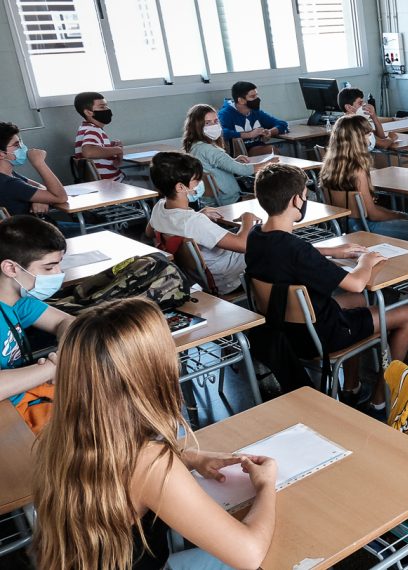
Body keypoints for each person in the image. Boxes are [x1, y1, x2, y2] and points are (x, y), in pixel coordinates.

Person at [32, 298, 278, 570]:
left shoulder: (59, 435)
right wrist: (266, 485)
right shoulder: (150, 463)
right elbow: (249, 554)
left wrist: (189, 457)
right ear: (154, 370)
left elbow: (121, 469)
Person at [244, 164, 408, 417]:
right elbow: (356, 282)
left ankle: (351, 386)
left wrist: (331, 251)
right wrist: (366, 261)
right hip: (320, 336)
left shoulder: (255, 236)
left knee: (357, 300)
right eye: (305, 195)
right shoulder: (297, 250)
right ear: (296, 200)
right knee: (407, 314)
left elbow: (290, 253)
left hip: (283, 330)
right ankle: (380, 399)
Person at [147, 152, 258, 296]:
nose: (200, 183)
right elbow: (243, 245)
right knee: (271, 243)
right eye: (196, 180)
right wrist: (247, 218)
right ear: (180, 187)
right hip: (230, 279)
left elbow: (149, 232)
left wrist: (199, 214)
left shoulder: (159, 207)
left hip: (201, 278)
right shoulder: (194, 222)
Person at [0, 215, 73, 434]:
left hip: (25, 393)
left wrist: (63, 353)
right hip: (9, 411)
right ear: (11, 268)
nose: (59, 274)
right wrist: (52, 367)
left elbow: (67, 322)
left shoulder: (19, 301)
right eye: (49, 268)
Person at [320, 115, 408, 245]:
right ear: (357, 139)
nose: (370, 138)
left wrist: (398, 214)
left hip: (343, 227)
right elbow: (373, 214)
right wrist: (400, 215)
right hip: (365, 227)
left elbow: (366, 209)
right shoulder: (358, 170)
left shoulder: (328, 168)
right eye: (368, 134)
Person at [183, 104, 277, 207]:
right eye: (207, 123)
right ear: (196, 126)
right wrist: (268, 163)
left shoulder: (195, 147)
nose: (214, 125)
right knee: (273, 199)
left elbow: (213, 166)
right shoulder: (208, 150)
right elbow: (243, 170)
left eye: (216, 121)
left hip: (209, 202)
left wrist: (232, 161)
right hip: (229, 201)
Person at [0, 122, 69, 216]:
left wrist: (40, 199)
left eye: (20, 142)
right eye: (16, 145)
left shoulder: (8, 174)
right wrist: (39, 163)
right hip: (34, 225)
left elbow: (40, 187)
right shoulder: (8, 183)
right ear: (1, 154)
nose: (22, 147)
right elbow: (60, 197)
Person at [218, 81, 289, 155]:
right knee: (270, 150)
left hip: (256, 148)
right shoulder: (225, 113)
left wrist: (269, 132)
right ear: (241, 100)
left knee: (271, 150)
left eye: (256, 95)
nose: (257, 99)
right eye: (252, 96)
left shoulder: (256, 112)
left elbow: (282, 124)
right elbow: (221, 132)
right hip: (239, 154)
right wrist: (249, 134)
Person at [73, 91, 125, 182]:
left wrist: (110, 147)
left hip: (108, 183)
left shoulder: (85, 128)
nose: (107, 109)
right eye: (102, 107)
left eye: (106, 106)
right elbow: (89, 152)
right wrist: (118, 150)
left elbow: (92, 148)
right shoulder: (93, 130)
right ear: (88, 112)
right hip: (112, 183)